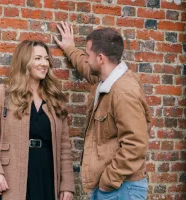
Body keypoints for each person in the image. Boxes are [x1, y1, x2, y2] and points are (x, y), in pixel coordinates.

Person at [54, 22, 152, 200]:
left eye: (88, 54)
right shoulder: (107, 79)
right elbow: (86, 66)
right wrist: (69, 48)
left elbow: (135, 145)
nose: (86, 58)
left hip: (121, 189)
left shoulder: (123, 92)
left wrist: (107, 182)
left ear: (100, 59)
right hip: (114, 188)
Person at [0, 40, 75, 200]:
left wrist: (67, 184)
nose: (44, 63)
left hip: (47, 173)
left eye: (46, 59)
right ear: (24, 61)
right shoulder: (4, 93)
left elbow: (64, 146)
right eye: (38, 58)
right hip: (13, 174)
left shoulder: (55, 99)